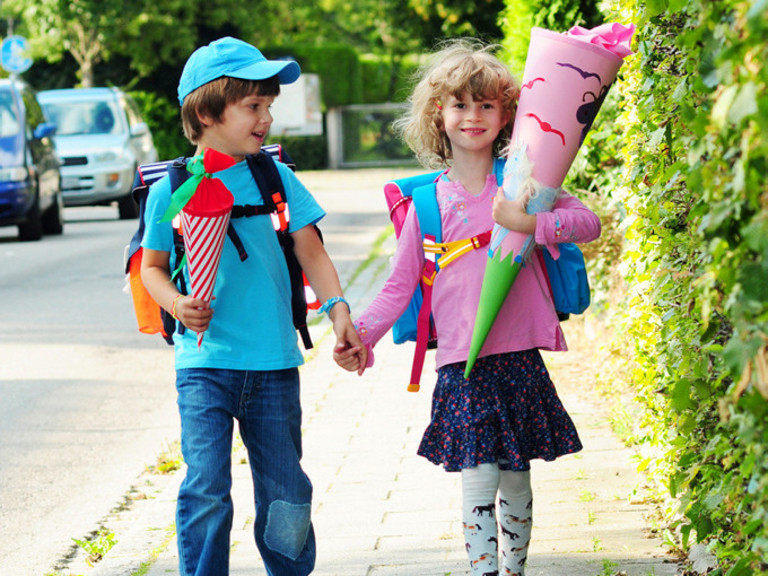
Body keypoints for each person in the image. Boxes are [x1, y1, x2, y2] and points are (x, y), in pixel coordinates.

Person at [335, 39, 601, 576]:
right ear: (440, 114)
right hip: (462, 359)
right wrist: (359, 333)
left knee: (516, 474)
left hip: (519, 352)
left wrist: (530, 222)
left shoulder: (527, 185)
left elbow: (589, 223)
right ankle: (484, 571)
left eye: (486, 105)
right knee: (478, 473)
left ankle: (514, 569)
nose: (473, 116)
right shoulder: (427, 204)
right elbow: (398, 286)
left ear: (507, 114)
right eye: (460, 104)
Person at [140, 36, 367, 576]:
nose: (267, 118)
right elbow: (150, 267)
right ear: (206, 111)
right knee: (207, 487)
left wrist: (339, 312)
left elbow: (312, 252)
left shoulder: (275, 178)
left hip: (273, 364)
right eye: (253, 106)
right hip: (204, 364)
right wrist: (175, 303)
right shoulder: (170, 188)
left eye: (269, 106)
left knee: (285, 487)